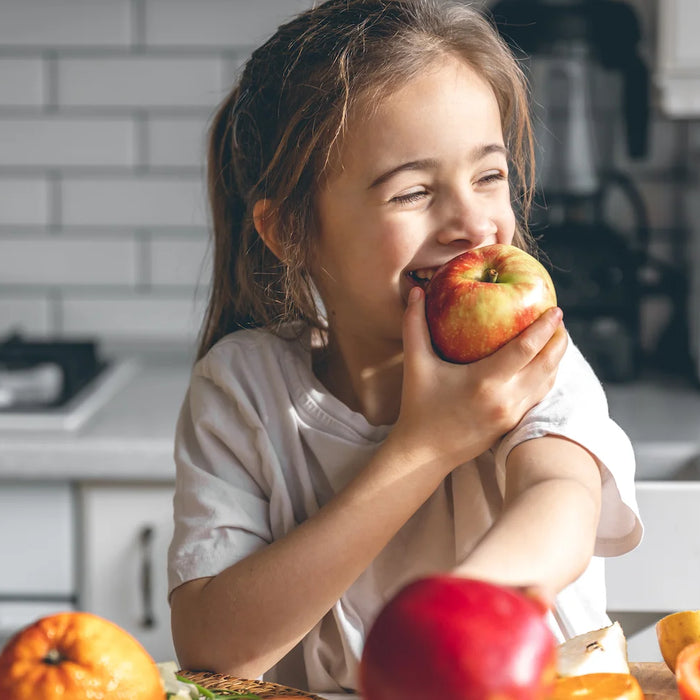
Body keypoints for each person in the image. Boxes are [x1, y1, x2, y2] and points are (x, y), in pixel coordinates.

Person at [168, 0, 642, 693]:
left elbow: (561, 502)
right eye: (414, 192)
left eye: (489, 176)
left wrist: (441, 636)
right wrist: (428, 446)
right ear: (290, 233)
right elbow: (214, 646)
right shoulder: (243, 389)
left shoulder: (529, 361)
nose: (473, 223)